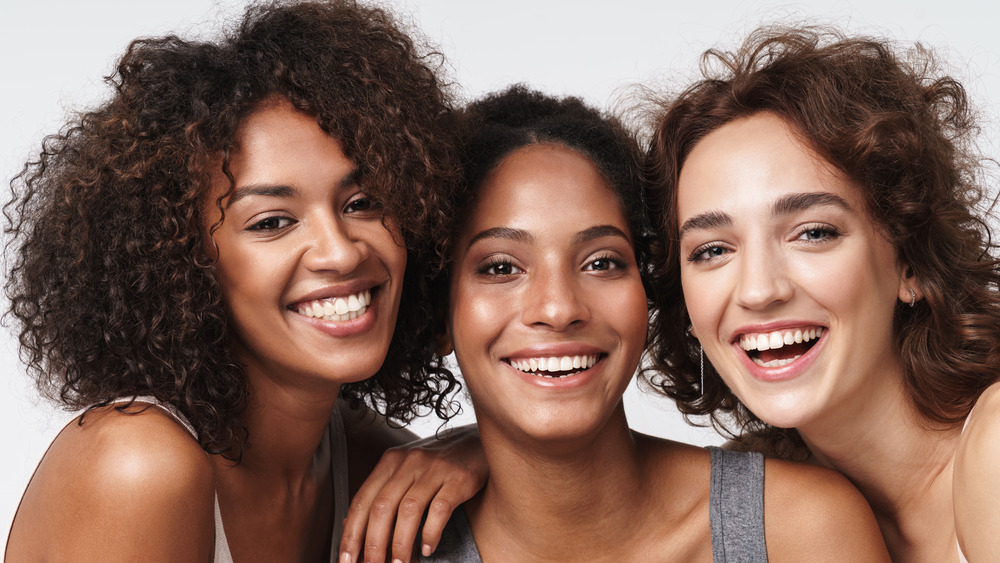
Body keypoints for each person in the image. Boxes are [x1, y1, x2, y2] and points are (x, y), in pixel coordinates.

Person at [4, 1, 482, 561]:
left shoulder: (372, 460)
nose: (340, 251)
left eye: (363, 202)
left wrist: (489, 451)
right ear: (181, 262)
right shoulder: (138, 466)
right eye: (272, 222)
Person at [418, 85, 889, 562]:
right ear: (439, 315)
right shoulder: (388, 543)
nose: (559, 309)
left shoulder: (799, 528)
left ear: (651, 292)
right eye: (501, 268)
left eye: (602, 262)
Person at [645, 26, 1000, 561]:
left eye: (814, 232)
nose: (760, 290)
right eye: (712, 251)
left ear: (911, 262)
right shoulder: (764, 506)